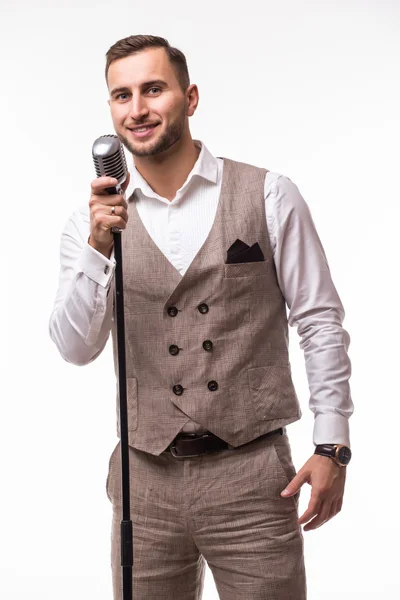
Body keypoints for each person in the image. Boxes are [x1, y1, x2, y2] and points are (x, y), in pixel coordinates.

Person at [49, 34, 353, 600]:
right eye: (121, 96)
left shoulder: (269, 195)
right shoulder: (90, 224)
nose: (136, 109)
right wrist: (96, 249)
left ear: (189, 98)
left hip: (256, 478)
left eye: (153, 89)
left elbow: (319, 320)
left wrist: (332, 444)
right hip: (144, 483)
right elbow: (73, 347)